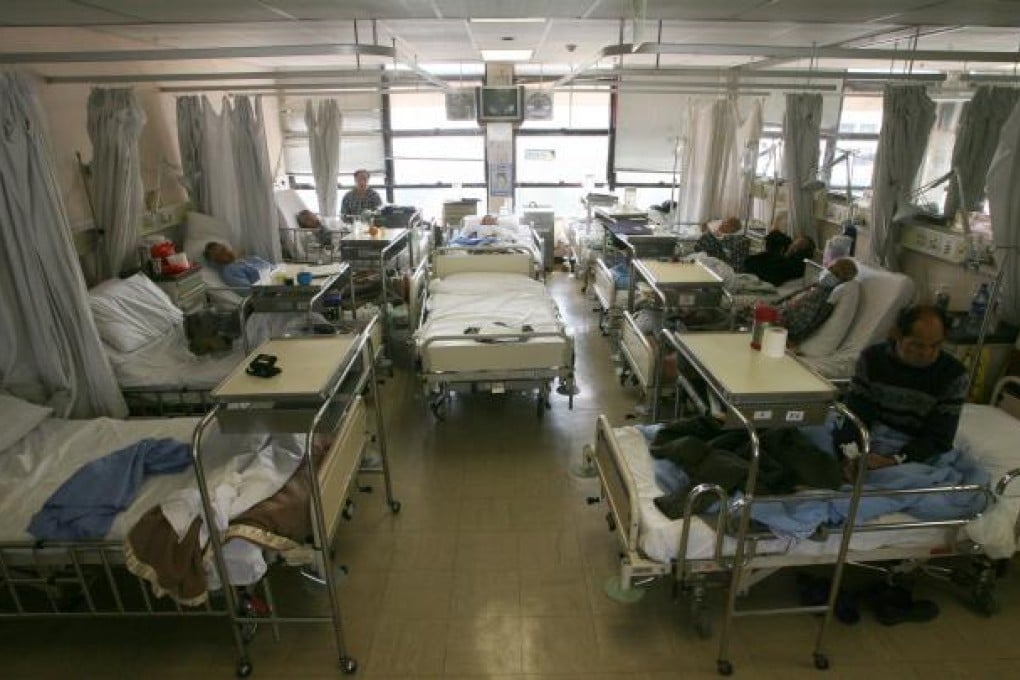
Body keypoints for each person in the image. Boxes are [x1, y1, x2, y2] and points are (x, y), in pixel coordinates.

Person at [833, 305, 967, 469]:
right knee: (816, 437)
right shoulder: (872, 359)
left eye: (935, 345)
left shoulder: (953, 375)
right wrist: (851, 456)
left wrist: (894, 460)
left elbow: (939, 439)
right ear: (896, 335)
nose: (926, 353)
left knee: (915, 475)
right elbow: (856, 416)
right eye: (917, 345)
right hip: (869, 435)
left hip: (913, 448)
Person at [773, 257, 857, 346]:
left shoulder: (823, 296)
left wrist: (780, 316)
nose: (829, 272)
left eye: (835, 273)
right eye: (831, 268)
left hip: (784, 323)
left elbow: (804, 322)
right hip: (781, 312)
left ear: (842, 281)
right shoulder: (818, 286)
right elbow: (792, 298)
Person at [744, 230, 817, 286]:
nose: (793, 246)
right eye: (794, 244)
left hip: (768, 275)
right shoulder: (784, 251)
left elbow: (775, 276)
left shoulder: (795, 263)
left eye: (798, 246)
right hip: (757, 270)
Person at [203, 242, 272, 292]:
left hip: (274, 275)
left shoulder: (241, 261)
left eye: (224, 249)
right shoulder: (228, 272)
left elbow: (267, 266)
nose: (226, 252)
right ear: (215, 260)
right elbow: (248, 290)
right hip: (270, 288)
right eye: (220, 253)